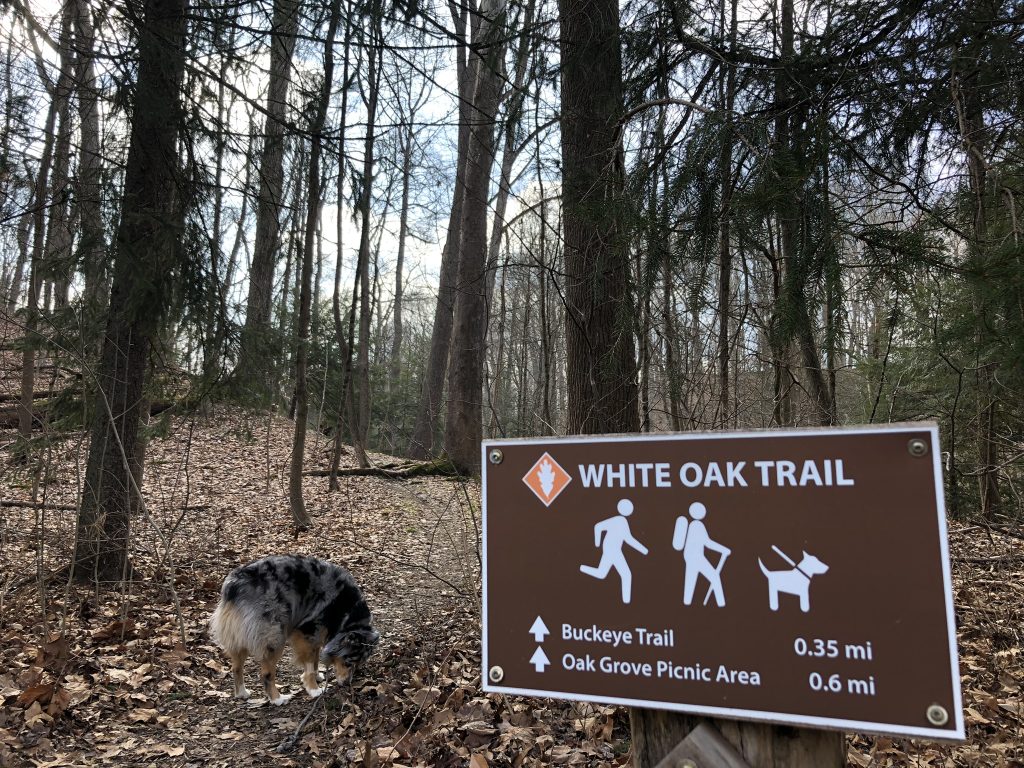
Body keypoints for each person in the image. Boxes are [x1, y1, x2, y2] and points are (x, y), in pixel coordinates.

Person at [580, 499, 648, 604]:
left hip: (610, 549)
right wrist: (597, 544)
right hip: (613, 550)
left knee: (601, 574)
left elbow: (627, 538)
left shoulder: (621, 521)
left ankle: (582, 568)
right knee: (626, 574)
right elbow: (598, 527)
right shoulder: (620, 520)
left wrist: (643, 550)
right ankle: (627, 603)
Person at [672, 502, 730, 607]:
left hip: (689, 558)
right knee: (715, 577)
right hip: (697, 557)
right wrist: (723, 549)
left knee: (690, 583)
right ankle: (721, 604)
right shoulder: (697, 525)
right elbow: (707, 542)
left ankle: (686, 604)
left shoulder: (692, 524)